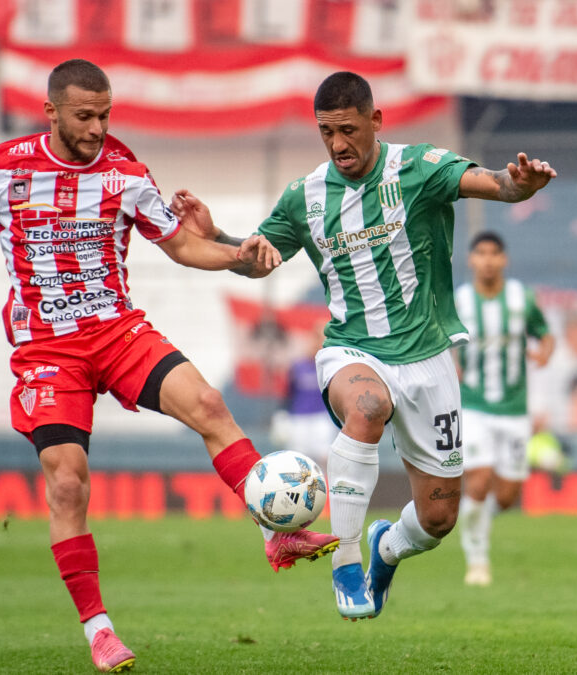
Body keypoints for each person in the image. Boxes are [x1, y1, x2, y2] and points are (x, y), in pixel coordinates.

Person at [0, 59, 338, 673]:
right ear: (51, 112)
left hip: (115, 330)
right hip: (48, 349)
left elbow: (182, 245)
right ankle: (100, 629)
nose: (97, 127)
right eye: (85, 116)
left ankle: (276, 529)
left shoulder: (125, 172)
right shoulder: (3, 167)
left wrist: (233, 251)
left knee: (211, 406)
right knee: (67, 482)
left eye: (105, 114)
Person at [171, 71, 556, 620]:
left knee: (438, 520)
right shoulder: (305, 196)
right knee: (368, 407)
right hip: (352, 350)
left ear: (376, 121)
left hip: (427, 358)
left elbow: (497, 184)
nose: (338, 144)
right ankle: (346, 561)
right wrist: (218, 238)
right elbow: (257, 257)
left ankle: (384, 547)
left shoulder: (419, 169)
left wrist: (522, 184)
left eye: (348, 130)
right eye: (327, 132)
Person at [454, 231, 555, 587]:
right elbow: (441, 340)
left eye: (494, 253)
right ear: (471, 260)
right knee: (479, 481)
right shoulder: (460, 302)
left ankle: (477, 523)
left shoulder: (521, 300)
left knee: (508, 495)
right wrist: (449, 362)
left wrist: (544, 352)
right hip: (474, 405)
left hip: (514, 409)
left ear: (504, 259)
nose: (487, 260)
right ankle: (476, 557)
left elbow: (545, 334)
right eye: (480, 253)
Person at [272, 321, 338, 469]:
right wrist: (282, 416)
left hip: (322, 418)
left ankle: (326, 490)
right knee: (298, 462)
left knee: (325, 458)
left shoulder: (329, 367)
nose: (316, 343)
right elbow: (288, 394)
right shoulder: (297, 366)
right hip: (299, 419)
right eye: (315, 338)